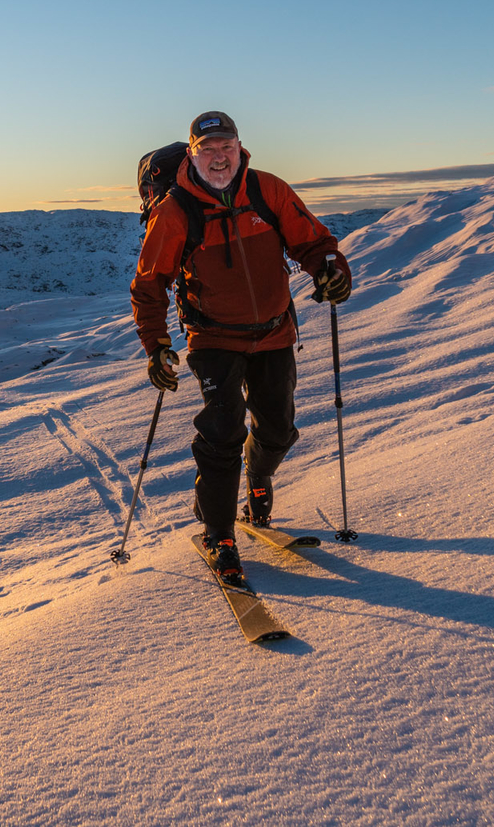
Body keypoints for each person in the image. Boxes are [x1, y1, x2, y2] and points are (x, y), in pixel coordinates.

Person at [130, 111, 352, 581]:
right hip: (212, 338)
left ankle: (258, 477)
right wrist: (156, 345)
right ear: (192, 154)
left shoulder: (268, 190)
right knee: (222, 432)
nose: (219, 158)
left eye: (226, 147)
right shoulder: (174, 211)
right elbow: (149, 285)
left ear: (240, 147)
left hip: (274, 332)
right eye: (208, 149)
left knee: (278, 431)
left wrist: (331, 271)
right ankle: (220, 533)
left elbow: (314, 243)